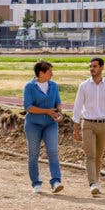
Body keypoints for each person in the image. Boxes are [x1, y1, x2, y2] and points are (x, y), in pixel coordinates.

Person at [72, 57, 105, 196]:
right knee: (91, 155)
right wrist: (76, 127)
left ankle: (96, 182)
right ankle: (92, 183)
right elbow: (77, 106)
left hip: (104, 125)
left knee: (98, 157)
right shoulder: (84, 86)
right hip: (88, 124)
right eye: (90, 66)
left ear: (102, 68)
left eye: (94, 66)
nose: (92, 69)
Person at [23, 60, 63, 194]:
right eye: (50, 72)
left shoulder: (54, 86)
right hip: (33, 124)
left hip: (50, 124)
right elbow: (28, 107)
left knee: (53, 151)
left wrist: (59, 114)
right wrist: (46, 111)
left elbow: (58, 103)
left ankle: (56, 181)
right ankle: (36, 183)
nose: (52, 74)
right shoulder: (29, 87)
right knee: (33, 154)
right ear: (41, 73)